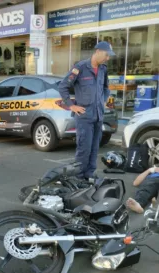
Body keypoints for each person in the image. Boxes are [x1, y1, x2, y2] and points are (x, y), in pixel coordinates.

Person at [58, 42, 115, 180]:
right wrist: (71, 106)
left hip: (98, 115)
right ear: (98, 51)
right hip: (84, 116)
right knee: (84, 149)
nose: (107, 58)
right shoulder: (80, 68)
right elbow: (63, 87)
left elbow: (106, 87)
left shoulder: (103, 69)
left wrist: (103, 99)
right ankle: (79, 177)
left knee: (95, 148)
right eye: (106, 55)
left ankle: (90, 175)